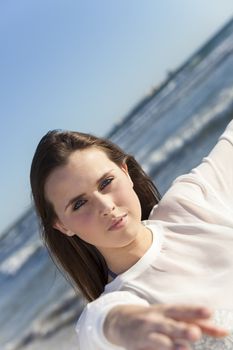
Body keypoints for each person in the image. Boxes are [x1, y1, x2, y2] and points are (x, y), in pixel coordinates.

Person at [30, 119, 233, 350]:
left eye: (106, 182)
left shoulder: (189, 205)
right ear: (62, 226)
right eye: (79, 204)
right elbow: (100, 322)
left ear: (125, 172)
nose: (105, 206)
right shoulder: (115, 308)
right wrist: (122, 324)